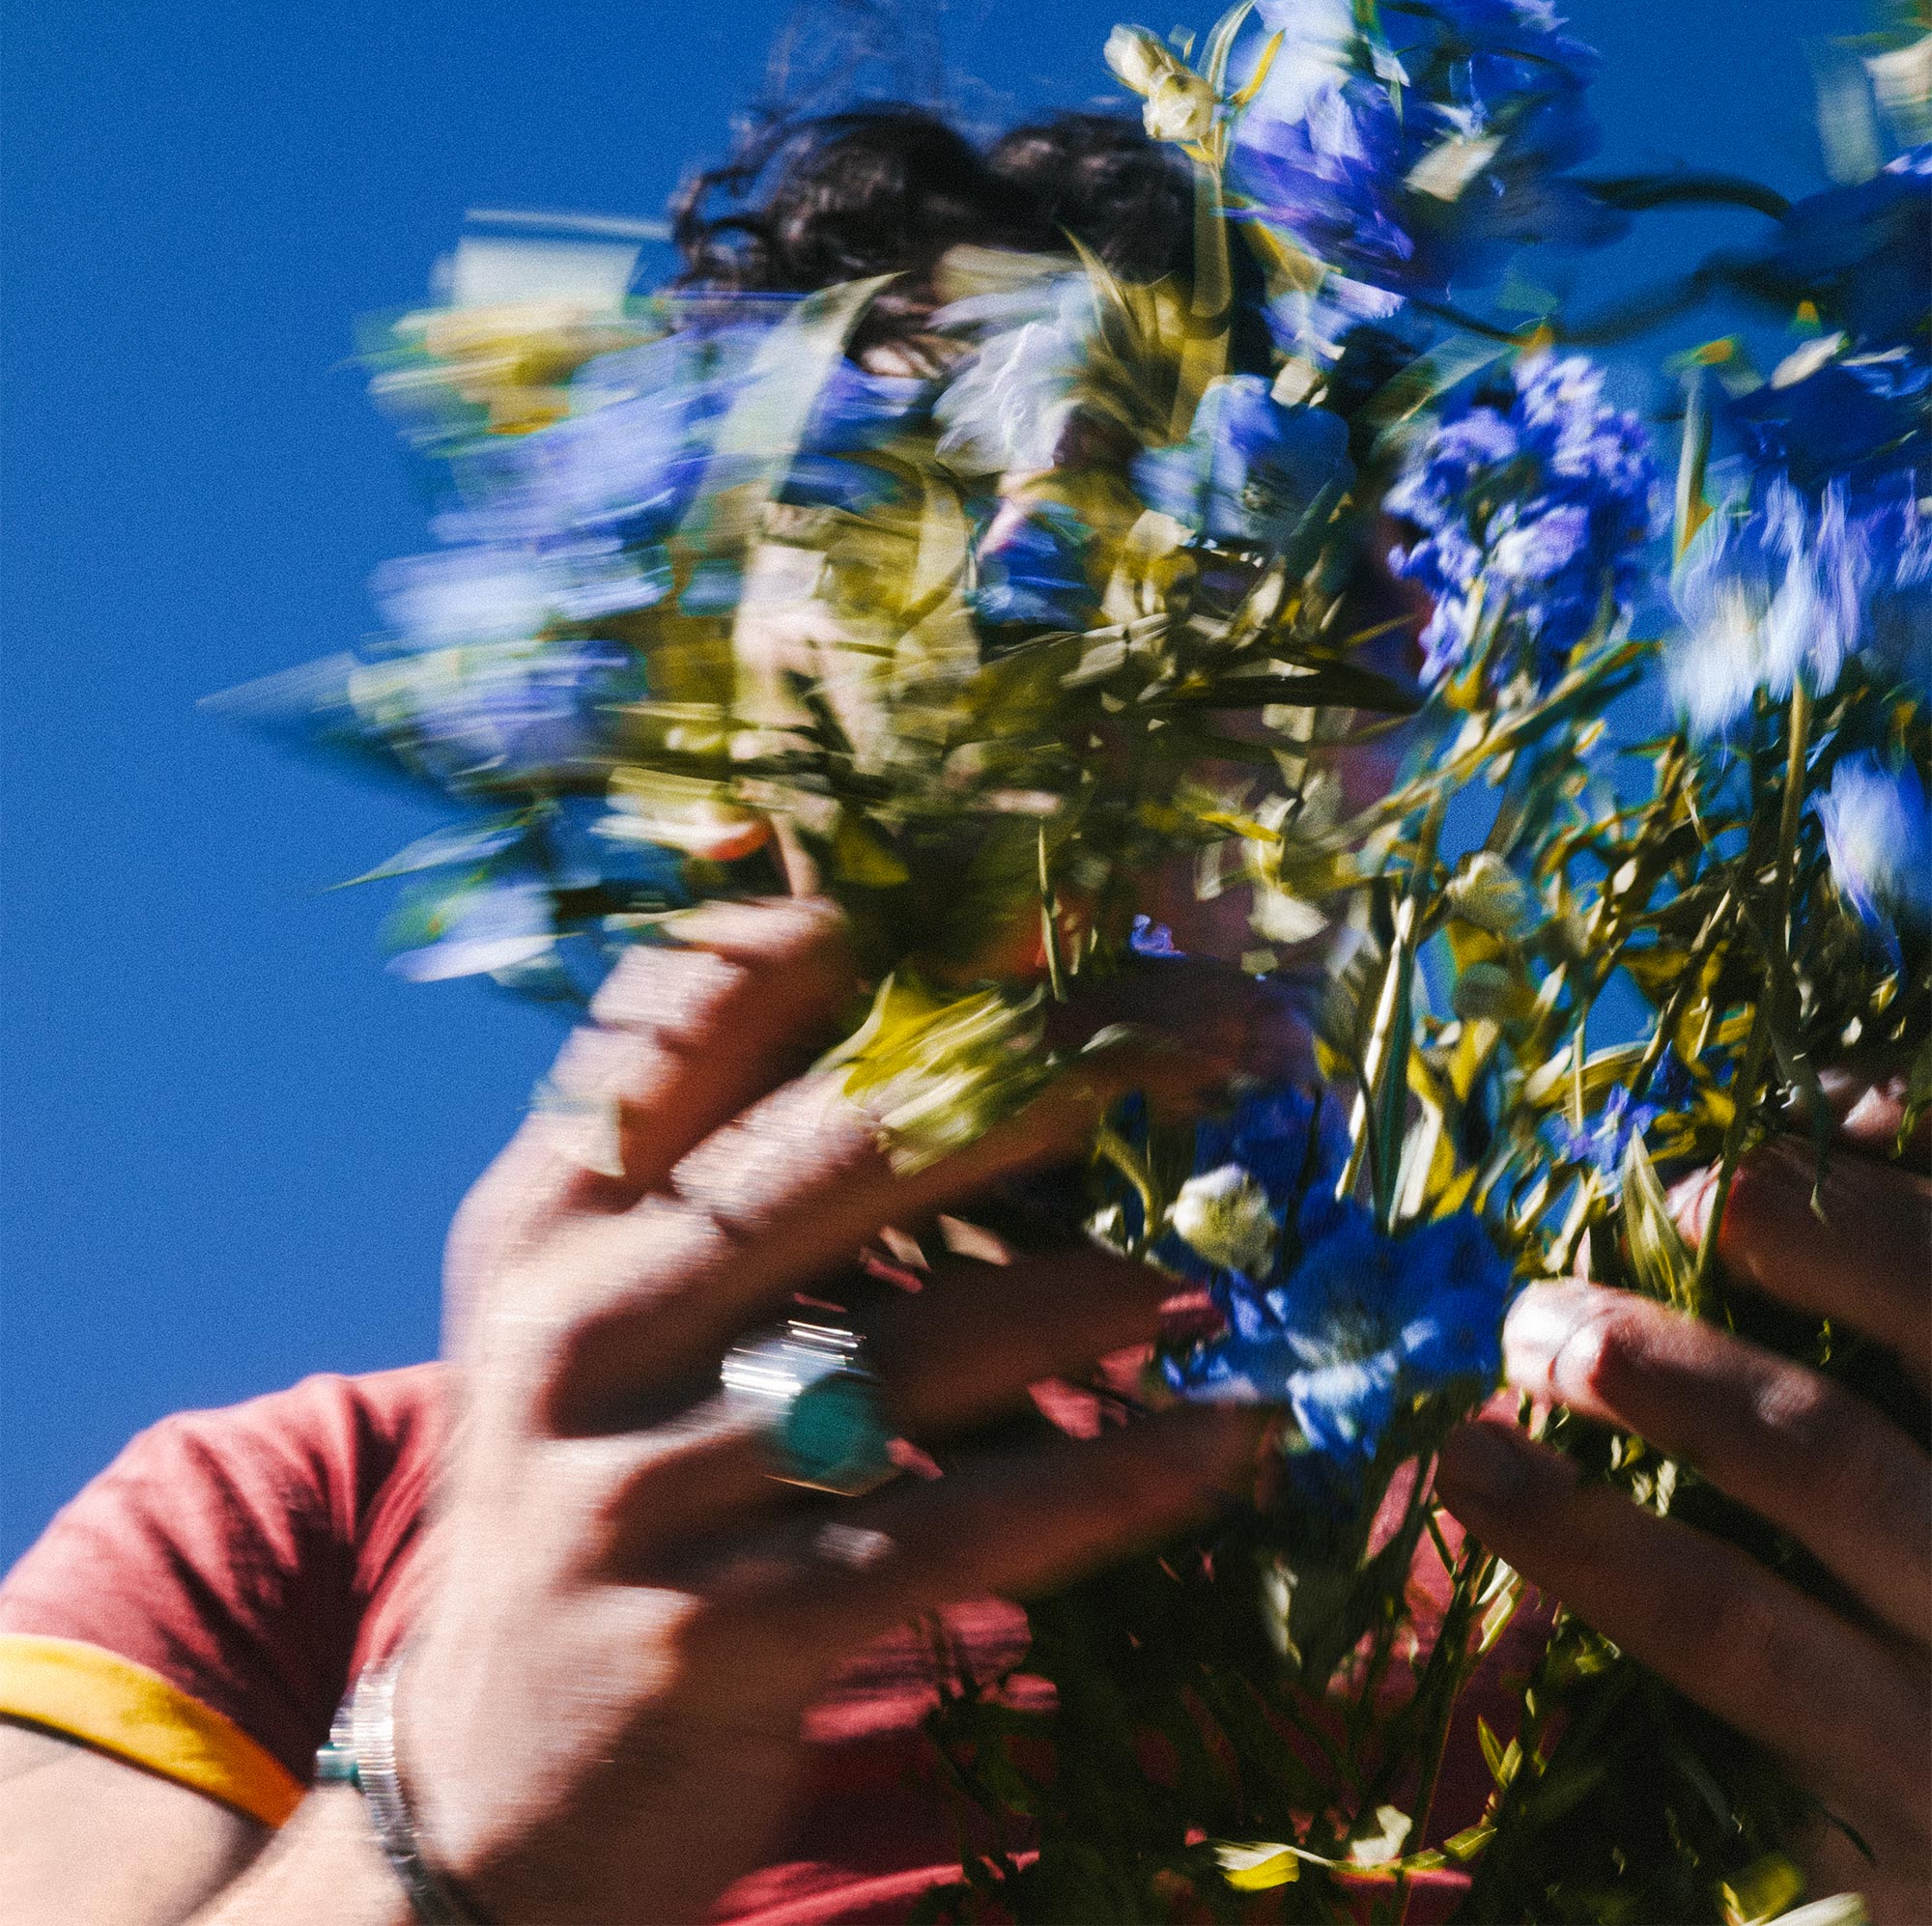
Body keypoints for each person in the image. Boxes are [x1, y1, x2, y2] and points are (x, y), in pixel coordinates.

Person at [3, 110, 1928, 1926]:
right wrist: (443, 1829)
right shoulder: (292, 1526)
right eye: (883, 495)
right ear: (693, 726)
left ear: (1402, 723)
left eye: (1189, 525)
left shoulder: (1682, 1440)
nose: (1031, 590)